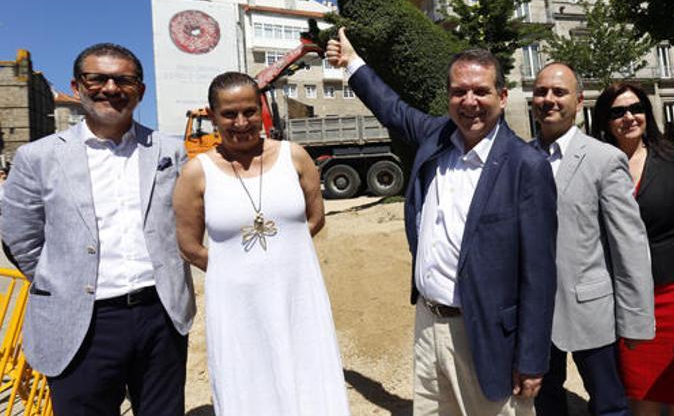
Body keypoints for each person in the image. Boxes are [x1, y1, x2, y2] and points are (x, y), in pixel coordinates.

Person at [327, 28, 557, 415]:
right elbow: (391, 108)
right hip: (428, 323)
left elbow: (539, 273)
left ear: (502, 96)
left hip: (486, 333)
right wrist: (351, 62)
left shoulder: (526, 165)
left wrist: (532, 358)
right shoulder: (437, 137)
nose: (469, 102)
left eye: (481, 91)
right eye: (459, 91)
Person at [0, 43, 195, 415]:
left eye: (123, 79)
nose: (110, 88)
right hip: (81, 321)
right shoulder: (37, 157)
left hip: (160, 314)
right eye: (97, 78)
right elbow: (21, 238)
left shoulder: (169, 149)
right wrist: (63, 278)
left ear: (140, 90)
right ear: (77, 86)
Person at [173, 72, 349, 415]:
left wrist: (282, 257)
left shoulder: (295, 157)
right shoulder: (196, 173)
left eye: (249, 112)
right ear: (212, 116)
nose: (241, 122)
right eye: (229, 114)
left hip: (298, 293)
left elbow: (315, 219)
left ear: (261, 110)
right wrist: (236, 267)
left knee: (308, 375)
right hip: (237, 304)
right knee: (248, 381)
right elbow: (189, 245)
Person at [530, 63, 654, 416]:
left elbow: (629, 244)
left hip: (591, 310)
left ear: (579, 101)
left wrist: (635, 321)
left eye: (559, 92)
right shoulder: (519, 157)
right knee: (546, 403)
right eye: (541, 92)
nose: (549, 99)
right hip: (536, 314)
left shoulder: (604, 159)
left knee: (610, 405)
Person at [593, 83, 674, 416]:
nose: (629, 117)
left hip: (673, 293)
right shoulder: (595, 165)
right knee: (639, 393)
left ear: (647, 113)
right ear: (605, 120)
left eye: (636, 108)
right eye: (617, 112)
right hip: (621, 299)